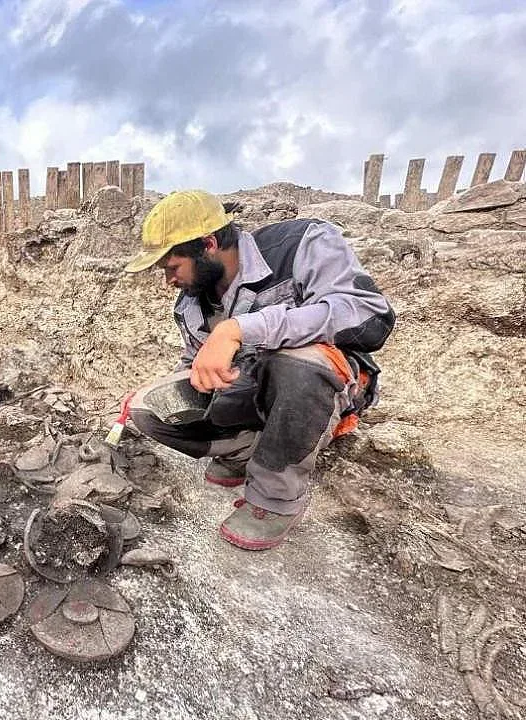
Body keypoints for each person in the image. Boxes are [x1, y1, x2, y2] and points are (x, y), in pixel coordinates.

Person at [123, 190, 395, 550]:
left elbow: (369, 315)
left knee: (296, 363)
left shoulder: (302, 243)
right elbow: (196, 367)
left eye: (171, 267)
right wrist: (163, 389)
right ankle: (246, 452)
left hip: (324, 383)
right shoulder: (190, 303)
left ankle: (276, 499)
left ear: (207, 245)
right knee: (149, 407)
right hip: (252, 390)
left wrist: (239, 329)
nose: (168, 281)